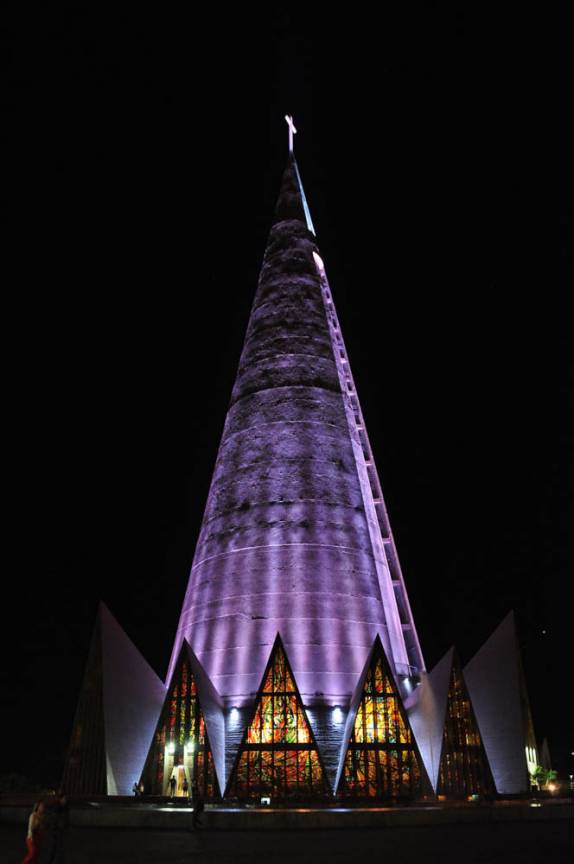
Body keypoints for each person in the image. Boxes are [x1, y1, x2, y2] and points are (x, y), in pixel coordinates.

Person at [46, 792, 69, 864]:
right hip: (56, 831)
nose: (65, 800)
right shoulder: (57, 807)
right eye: (64, 799)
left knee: (56, 850)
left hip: (57, 831)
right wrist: (57, 828)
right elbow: (55, 820)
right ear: (60, 799)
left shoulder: (62, 807)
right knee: (56, 850)